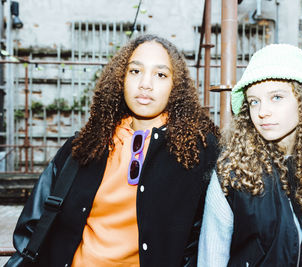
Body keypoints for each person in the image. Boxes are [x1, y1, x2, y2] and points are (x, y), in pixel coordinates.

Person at [6, 34, 219, 267]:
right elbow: (33, 225)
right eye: (135, 71)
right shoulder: (86, 145)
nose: (145, 84)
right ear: (121, 78)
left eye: (160, 74)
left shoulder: (196, 152)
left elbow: (203, 240)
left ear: (175, 86)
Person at [198, 44, 302, 267]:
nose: (262, 112)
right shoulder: (231, 173)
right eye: (254, 101)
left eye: (277, 97)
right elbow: (211, 259)